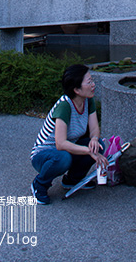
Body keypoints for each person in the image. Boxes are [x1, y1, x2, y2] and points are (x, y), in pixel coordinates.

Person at [30, 63, 106, 204]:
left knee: (98, 145)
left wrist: (94, 139)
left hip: (67, 149)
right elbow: (60, 144)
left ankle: (73, 180)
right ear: (76, 89)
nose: (93, 85)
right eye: (89, 82)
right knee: (64, 158)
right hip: (44, 155)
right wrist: (88, 151)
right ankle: (39, 185)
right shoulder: (65, 106)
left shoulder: (88, 100)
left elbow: (94, 128)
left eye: (92, 81)